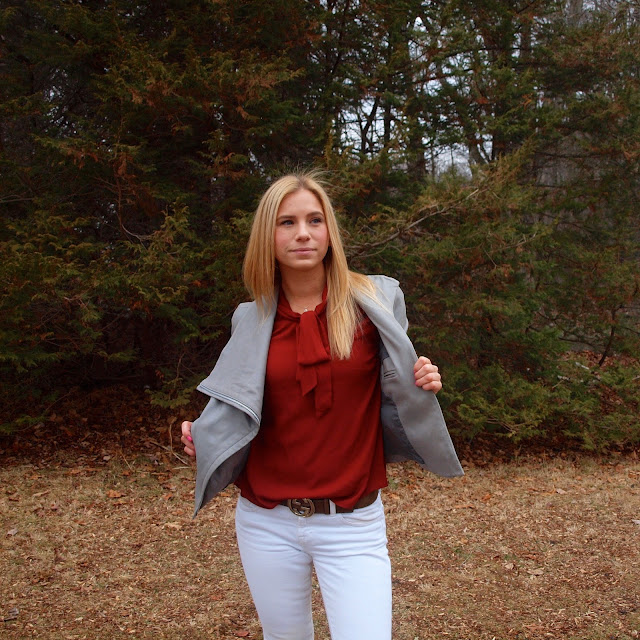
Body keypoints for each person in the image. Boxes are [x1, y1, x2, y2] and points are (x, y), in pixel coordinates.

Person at [180, 171, 463, 640]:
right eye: (287, 222)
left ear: (330, 230)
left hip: (353, 521)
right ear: (268, 235)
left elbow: (400, 379)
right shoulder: (249, 318)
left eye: (315, 220)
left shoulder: (374, 302)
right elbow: (239, 402)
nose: (303, 233)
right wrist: (206, 435)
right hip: (265, 521)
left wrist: (424, 377)